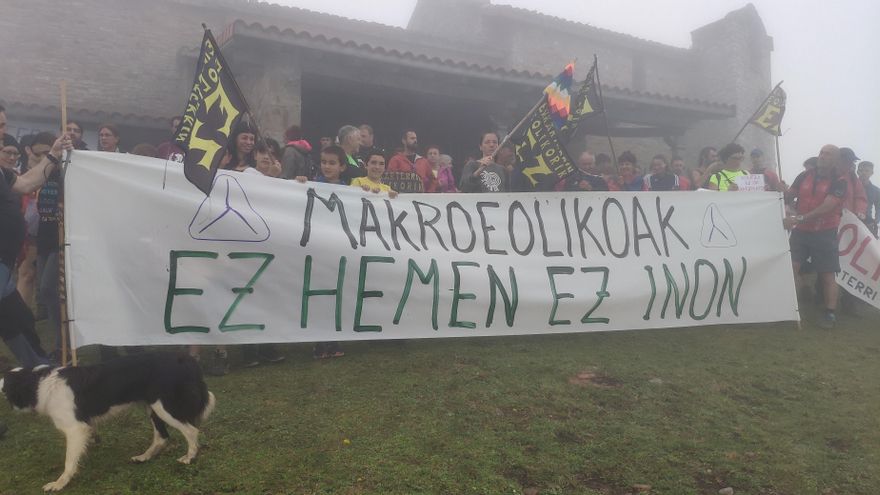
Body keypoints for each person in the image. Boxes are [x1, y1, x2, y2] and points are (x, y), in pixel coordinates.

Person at [1, 133, 71, 368]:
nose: (3, 134)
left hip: (4, 262)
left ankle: (39, 367)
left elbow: (27, 183)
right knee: (14, 317)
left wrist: (54, 153)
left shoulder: (3, 173)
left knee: (18, 318)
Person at [783, 145, 848, 329]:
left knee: (827, 274)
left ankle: (829, 313)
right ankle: (788, 306)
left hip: (824, 232)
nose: (822, 156)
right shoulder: (804, 176)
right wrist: (781, 191)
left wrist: (799, 218)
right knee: (790, 268)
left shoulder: (840, 181)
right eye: (821, 153)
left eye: (828, 154)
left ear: (835, 160)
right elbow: (788, 195)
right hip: (801, 231)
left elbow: (827, 207)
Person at [295, 145, 350, 359]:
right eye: (324, 162)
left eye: (332, 163)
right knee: (317, 294)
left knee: (336, 294)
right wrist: (298, 184)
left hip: (338, 251)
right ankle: (319, 340)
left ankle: (333, 338)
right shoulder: (311, 185)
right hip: (317, 249)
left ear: (342, 166)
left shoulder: (349, 190)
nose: (327, 166)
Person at [857, 161, 879, 236]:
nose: (864, 173)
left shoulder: (876, 191)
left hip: (868, 224)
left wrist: (875, 221)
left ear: (872, 173)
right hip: (849, 222)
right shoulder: (850, 186)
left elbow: (878, 208)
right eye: (861, 170)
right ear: (857, 172)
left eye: (867, 170)